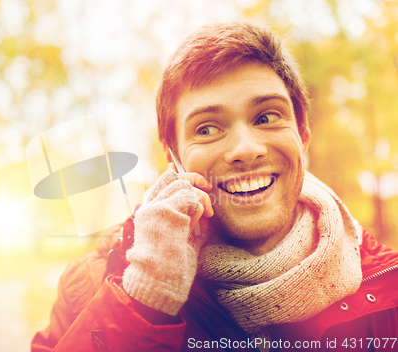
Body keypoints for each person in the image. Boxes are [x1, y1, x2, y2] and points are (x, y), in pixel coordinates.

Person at [31, 20, 398, 352]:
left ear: (302, 136)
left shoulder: (390, 287)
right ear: (173, 157)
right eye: (207, 129)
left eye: (266, 117)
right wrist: (143, 302)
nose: (246, 149)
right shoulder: (90, 284)